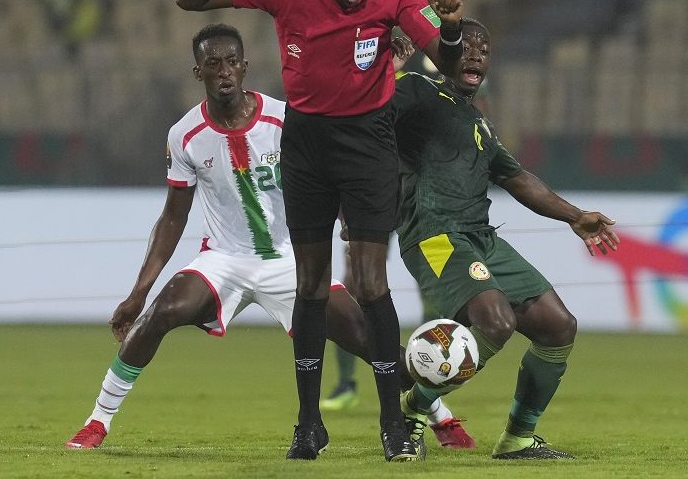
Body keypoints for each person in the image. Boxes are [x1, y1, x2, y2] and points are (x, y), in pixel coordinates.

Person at [64, 24, 449, 452]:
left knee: (365, 336)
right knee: (163, 310)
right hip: (224, 258)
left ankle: (438, 415)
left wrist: (344, 216)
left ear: (245, 67)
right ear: (199, 73)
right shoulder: (185, 134)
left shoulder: (285, 119)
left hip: (292, 258)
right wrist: (139, 291)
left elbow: (330, 171)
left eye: (232, 62)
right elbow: (173, 217)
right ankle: (97, 421)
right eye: (213, 64)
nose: (224, 72)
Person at [176, 0, 465, 462]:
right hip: (306, 143)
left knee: (370, 283)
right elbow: (191, 0)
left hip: (369, 145)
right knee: (310, 285)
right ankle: (308, 427)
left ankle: (393, 426)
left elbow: (446, 62)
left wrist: (448, 25)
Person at [392, 18, 621, 459]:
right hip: (435, 235)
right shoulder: (418, 90)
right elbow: (371, 117)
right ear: (444, 53)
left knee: (558, 326)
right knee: (496, 322)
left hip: (481, 239)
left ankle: (517, 437)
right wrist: (388, 73)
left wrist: (575, 217)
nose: (476, 54)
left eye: (485, 48)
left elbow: (519, 179)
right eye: (466, 46)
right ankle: (412, 411)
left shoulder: (480, 125)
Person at [321, 0, 475, 450]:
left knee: (426, 282)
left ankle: (435, 367)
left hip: (422, 190)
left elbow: (468, 107)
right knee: (361, 280)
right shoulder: (376, 38)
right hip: (372, 178)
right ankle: (349, 383)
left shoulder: (446, 50)